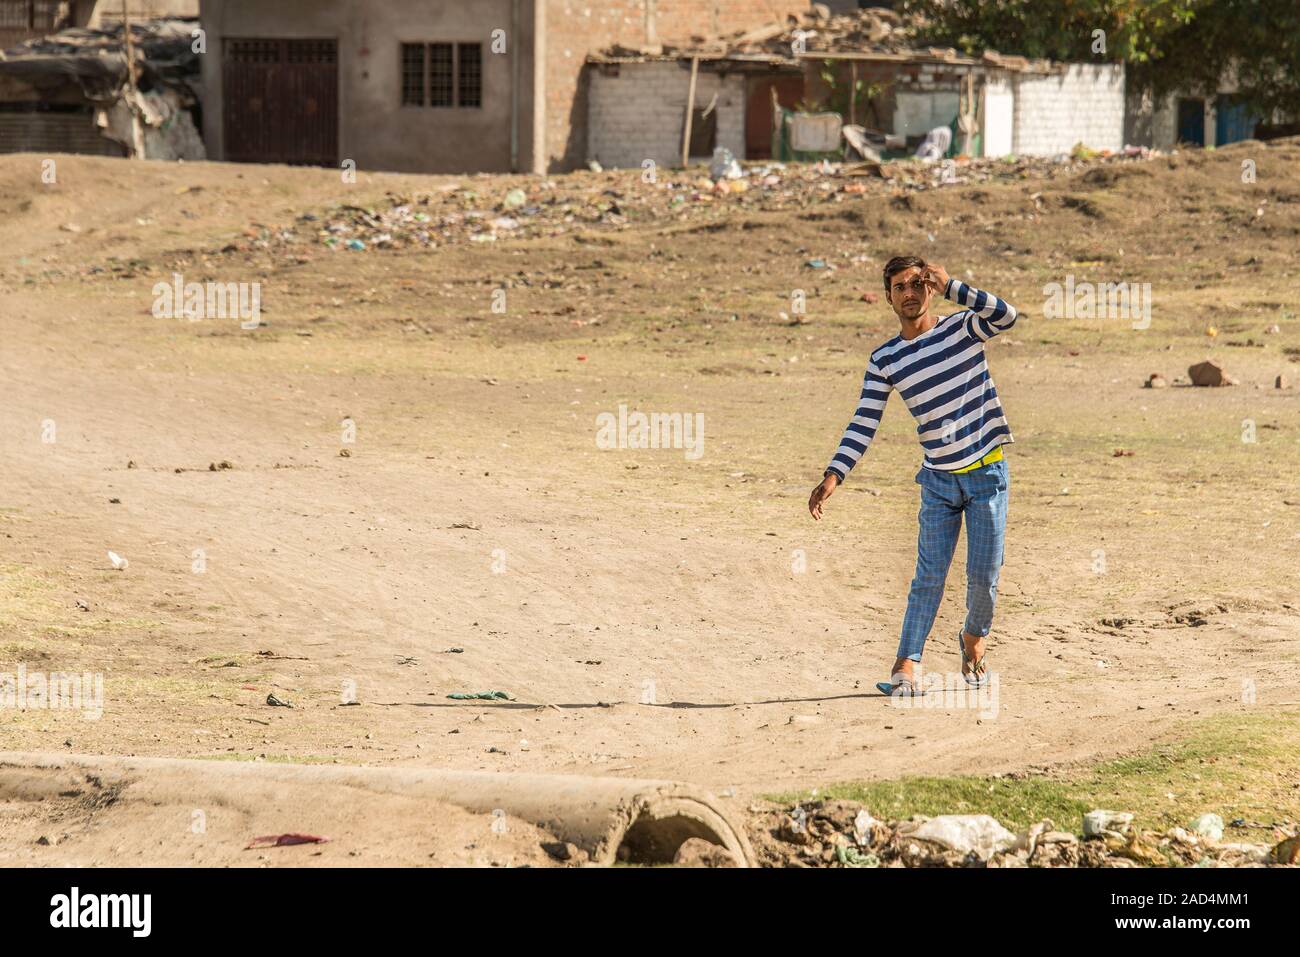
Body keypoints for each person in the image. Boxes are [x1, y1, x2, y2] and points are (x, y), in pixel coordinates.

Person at [808, 257, 1019, 695]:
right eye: (900, 286)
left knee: (983, 576)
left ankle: (973, 637)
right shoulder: (886, 359)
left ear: (930, 288)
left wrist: (953, 285)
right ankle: (906, 666)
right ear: (888, 297)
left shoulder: (962, 328)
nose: (910, 292)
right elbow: (864, 421)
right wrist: (835, 474)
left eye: (918, 284)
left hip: (986, 475)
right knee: (928, 576)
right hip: (939, 482)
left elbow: (1006, 316)